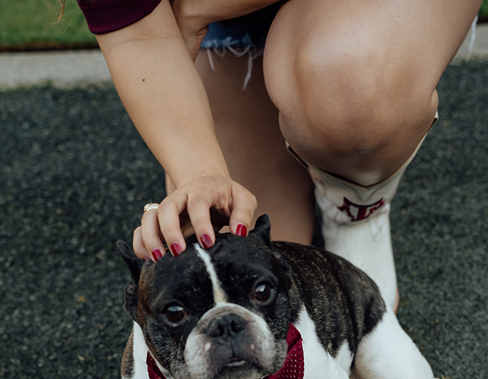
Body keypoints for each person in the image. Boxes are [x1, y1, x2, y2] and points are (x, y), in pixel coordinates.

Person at [76, 0, 481, 312]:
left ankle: (357, 203)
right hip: (215, 13)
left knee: (349, 84)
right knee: (246, 270)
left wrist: (202, 6)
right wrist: (201, 173)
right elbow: (140, 35)